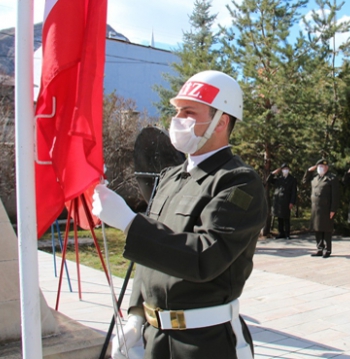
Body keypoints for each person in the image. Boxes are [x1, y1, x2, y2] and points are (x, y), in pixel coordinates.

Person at [91, 70, 266, 359]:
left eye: (189, 112)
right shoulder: (169, 177)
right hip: (154, 338)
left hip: (205, 342)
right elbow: (151, 257)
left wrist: (129, 222)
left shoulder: (238, 182)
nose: (178, 119)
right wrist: (136, 313)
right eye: (177, 111)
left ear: (221, 122)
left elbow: (205, 257)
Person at [304, 158, 341, 258]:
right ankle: (319, 248)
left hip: (326, 209)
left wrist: (333, 209)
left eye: (322, 167)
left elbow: (335, 195)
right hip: (315, 208)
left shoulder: (331, 178)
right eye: (319, 167)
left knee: (326, 229)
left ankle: (327, 250)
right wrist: (309, 171)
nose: (320, 168)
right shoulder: (315, 178)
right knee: (317, 229)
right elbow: (304, 181)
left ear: (327, 168)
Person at [267, 163, 298, 239]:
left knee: (286, 218)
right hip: (278, 201)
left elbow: (294, 192)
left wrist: (292, 202)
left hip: (286, 200)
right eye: (284, 169)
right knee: (279, 218)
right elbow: (268, 180)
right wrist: (273, 173)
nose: (285, 170)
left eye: (286, 168)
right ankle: (281, 233)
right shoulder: (279, 178)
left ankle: (287, 234)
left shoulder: (292, 179)